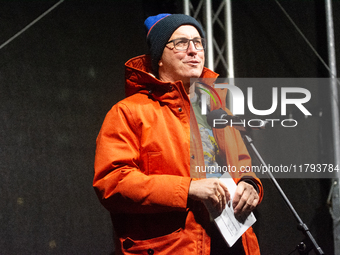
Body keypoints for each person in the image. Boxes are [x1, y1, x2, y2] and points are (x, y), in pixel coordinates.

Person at [93, 13, 263, 255]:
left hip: (235, 245)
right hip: (173, 248)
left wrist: (250, 184)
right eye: (181, 43)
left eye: (198, 42)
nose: (194, 50)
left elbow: (242, 167)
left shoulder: (219, 110)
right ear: (158, 58)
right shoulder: (128, 112)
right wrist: (188, 189)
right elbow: (112, 183)